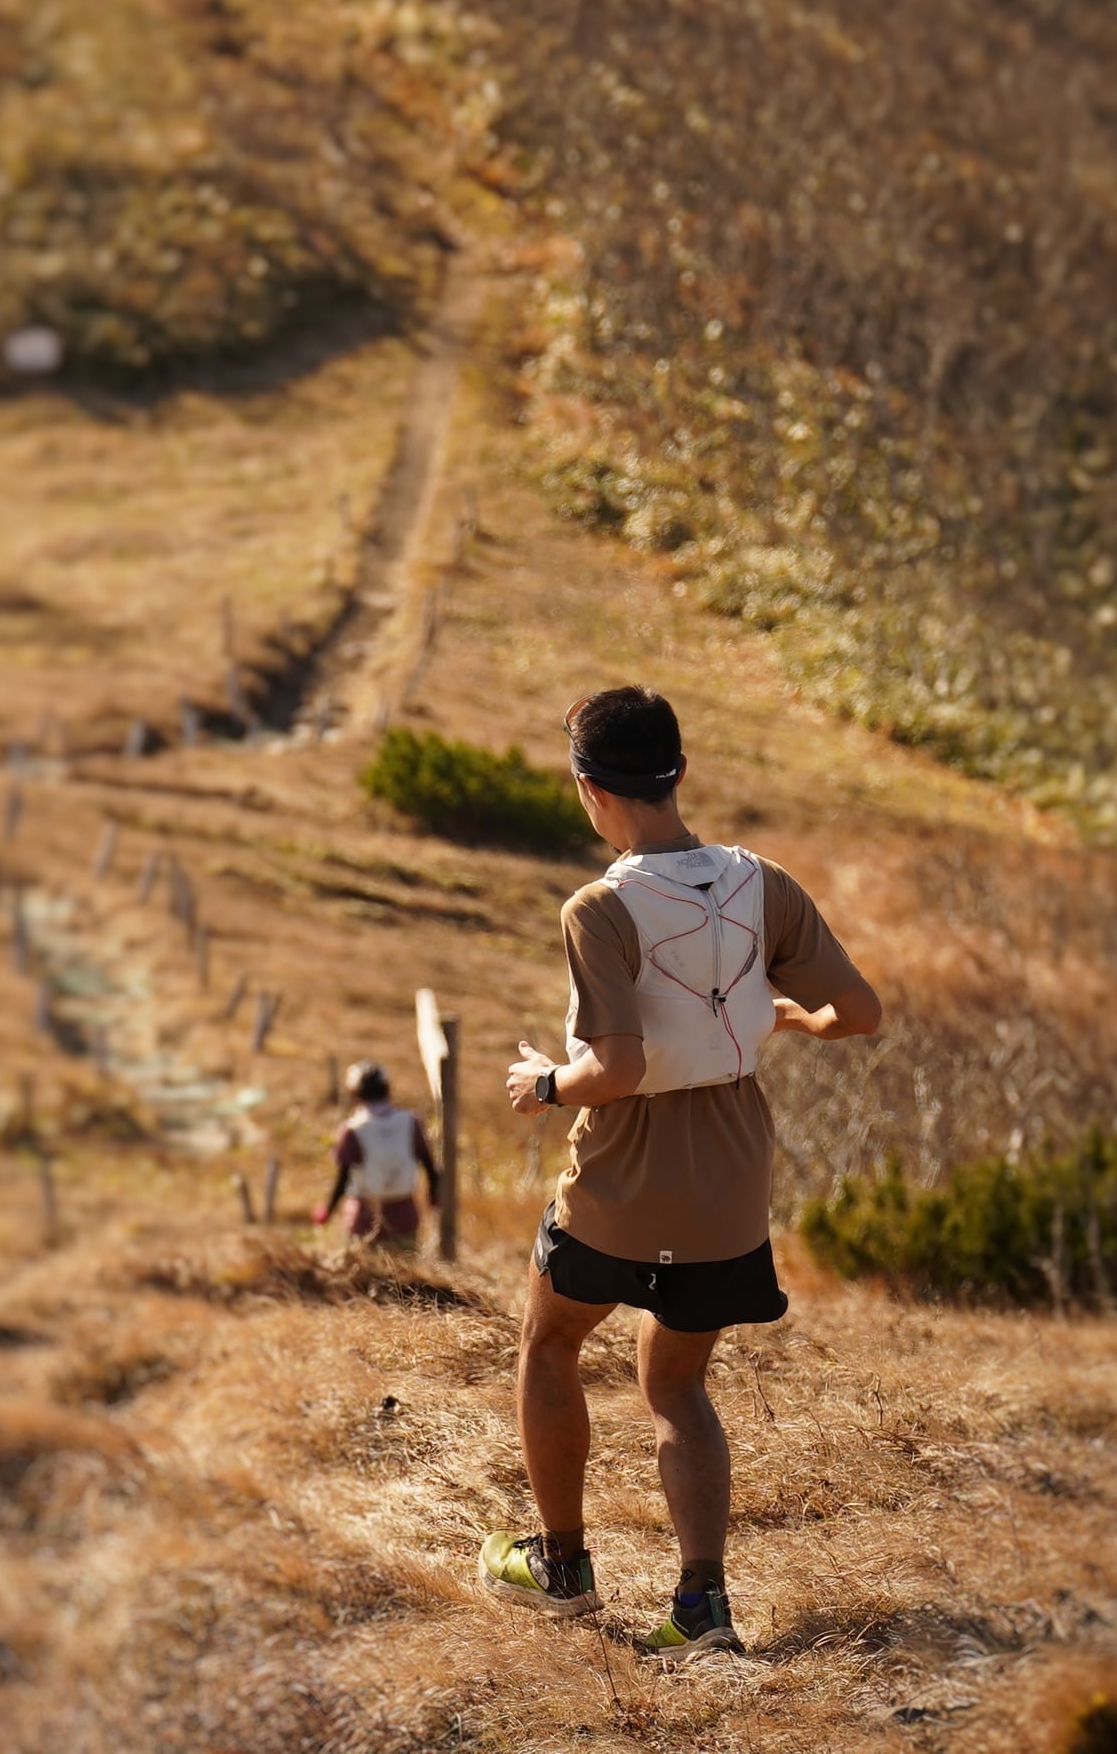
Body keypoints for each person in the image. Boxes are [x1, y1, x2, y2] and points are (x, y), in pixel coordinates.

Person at [475, 685, 882, 1665]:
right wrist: (796, 1019)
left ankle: (562, 1566)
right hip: (730, 1177)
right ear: (679, 773)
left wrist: (543, 1083)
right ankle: (703, 1606)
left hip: (626, 1170)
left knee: (548, 1342)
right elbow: (858, 1012)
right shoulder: (763, 884)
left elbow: (612, 1071)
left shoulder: (599, 907)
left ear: (586, 789)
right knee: (676, 1386)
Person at [312, 1061, 441, 1249]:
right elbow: (428, 1163)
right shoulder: (410, 1122)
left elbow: (344, 1177)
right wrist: (434, 1194)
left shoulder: (353, 1129)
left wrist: (328, 1210)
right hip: (404, 1214)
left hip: (364, 1217)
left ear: (355, 1093)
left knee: (362, 1273)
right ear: (386, 1088)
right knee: (407, 1273)